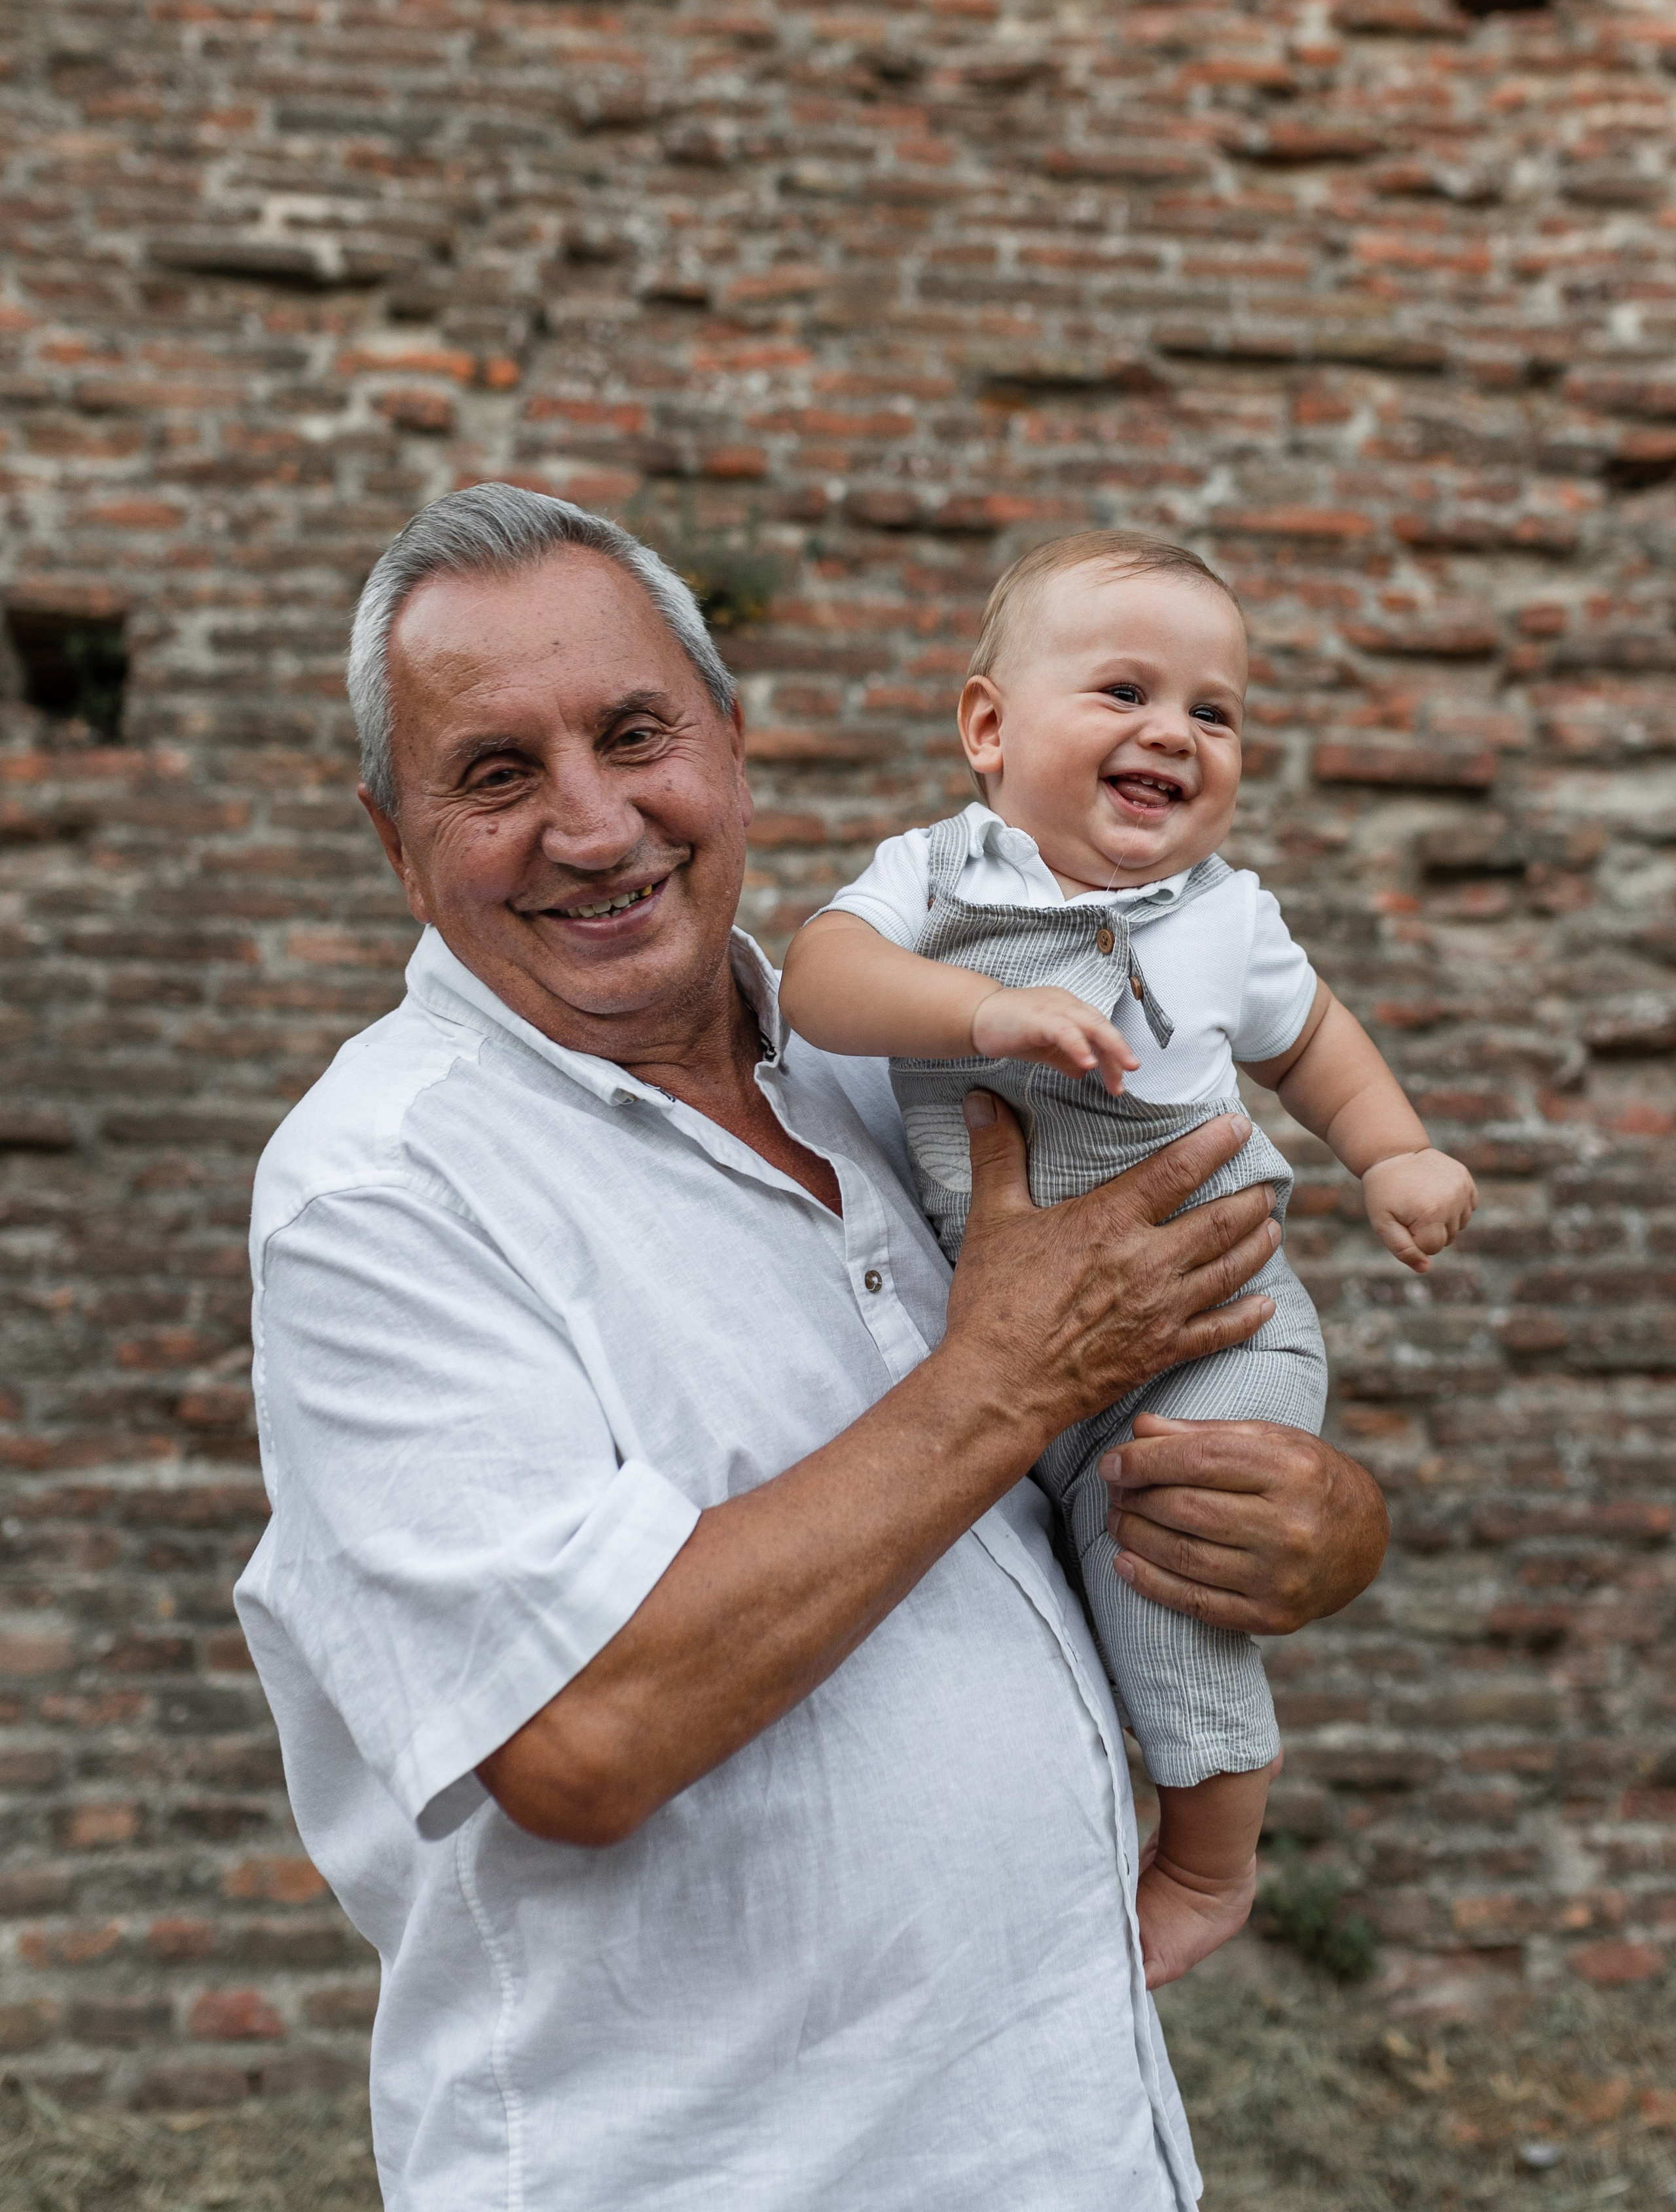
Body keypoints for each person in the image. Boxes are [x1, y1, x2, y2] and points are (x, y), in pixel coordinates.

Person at [234, 485, 1390, 2212]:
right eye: (495, 775)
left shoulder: (904, 1077)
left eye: (639, 736)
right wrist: (1008, 1378)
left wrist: (1315, 1527)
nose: (593, 822)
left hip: (1074, 2154)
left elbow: (1161, 1392)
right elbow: (580, 1736)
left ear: (734, 748)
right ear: (396, 840)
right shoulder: (382, 1192)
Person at [778, 531, 1475, 1993]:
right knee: (1072, 1578)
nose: (1172, 731)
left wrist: (1393, 1151)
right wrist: (976, 1014)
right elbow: (823, 986)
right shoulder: (932, 873)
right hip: (1026, 1339)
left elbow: (1316, 1047)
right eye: (1120, 692)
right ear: (987, 729)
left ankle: (1211, 1864)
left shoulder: (1231, 912)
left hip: (1221, 1316)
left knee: (1170, 1572)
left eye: (1211, 713)